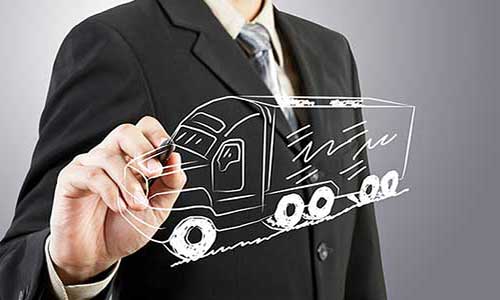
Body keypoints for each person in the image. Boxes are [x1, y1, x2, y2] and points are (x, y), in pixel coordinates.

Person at [0, 0, 387, 299]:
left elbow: (358, 250)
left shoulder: (332, 50)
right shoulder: (115, 43)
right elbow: (17, 267)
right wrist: (70, 268)